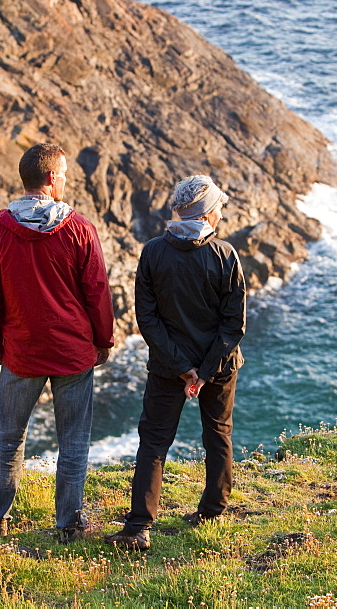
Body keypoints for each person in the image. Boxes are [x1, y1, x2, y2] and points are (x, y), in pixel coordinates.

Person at [0, 142, 115, 543]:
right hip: (72, 352)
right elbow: (97, 291)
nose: (66, 180)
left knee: (7, 438)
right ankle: (68, 524)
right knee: (73, 442)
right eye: (65, 174)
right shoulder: (79, 229)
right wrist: (102, 339)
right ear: (52, 178)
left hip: (21, 351)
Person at [105, 175, 246, 551]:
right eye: (218, 206)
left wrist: (184, 368)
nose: (221, 211)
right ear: (207, 214)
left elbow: (146, 320)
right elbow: (234, 324)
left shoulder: (153, 252)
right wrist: (205, 370)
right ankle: (213, 511)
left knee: (153, 442)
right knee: (218, 435)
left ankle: (138, 527)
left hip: (168, 367)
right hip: (218, 366)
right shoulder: (225, 255)